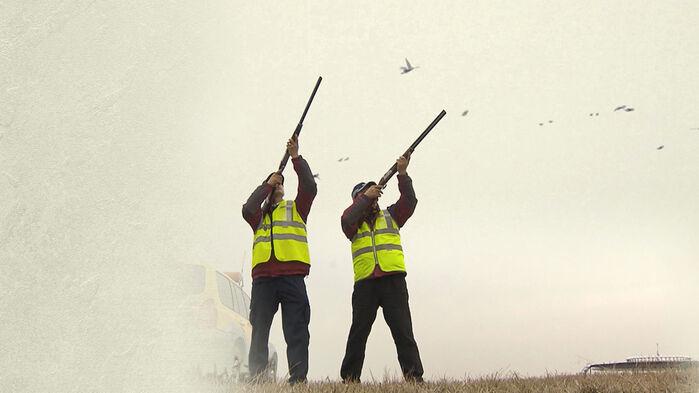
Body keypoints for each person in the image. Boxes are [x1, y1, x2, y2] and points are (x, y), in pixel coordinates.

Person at [339, 154, 424, 383]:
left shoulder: (391, 214)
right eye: (366, 194)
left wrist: (402, 174)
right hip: (365, 282)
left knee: (403, 331)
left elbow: (410, 201)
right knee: (358, 333)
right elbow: (347, 218)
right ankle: (349, 379)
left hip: (393, 280)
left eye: (374, 193)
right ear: (358, 199)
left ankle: (414, 377)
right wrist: (366, 197)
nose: (373, 197)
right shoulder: (351, 222)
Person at [241, 136, 316, 384]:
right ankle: (259, 379)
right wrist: (267, 183)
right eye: (278, 184)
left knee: (296, 330)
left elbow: (309, 187)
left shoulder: (296, 207)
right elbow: (247, 207)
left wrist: (295, 158)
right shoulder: (258, 215)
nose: (281, 186)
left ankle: (298, 379)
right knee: (259, 332)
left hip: (292, 278)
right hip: (263, 281)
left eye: (282, 184)